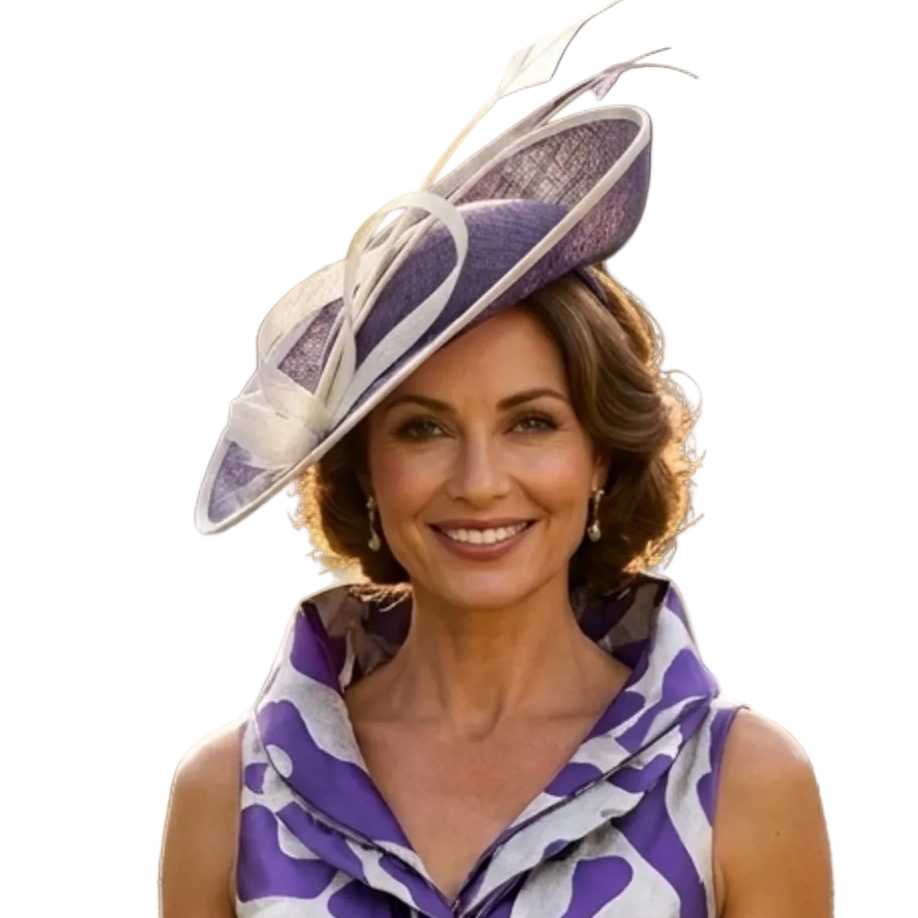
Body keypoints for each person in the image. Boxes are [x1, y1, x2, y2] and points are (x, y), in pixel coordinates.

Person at [160, 9, 833, 917]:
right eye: (422, 430)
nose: (479, 480)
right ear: (362, 468)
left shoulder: (740, 787)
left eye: (532, 423)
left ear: (600, 453)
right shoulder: (227, 799)